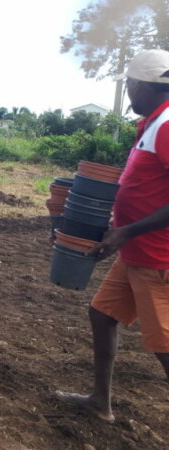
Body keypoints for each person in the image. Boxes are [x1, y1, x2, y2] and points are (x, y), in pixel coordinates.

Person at [55, 49, 169, 423]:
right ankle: (99, 403)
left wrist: (128, 232)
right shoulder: (152, 125)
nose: (130, 94)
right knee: (102, 315)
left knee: (164, 346)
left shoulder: (167, 125)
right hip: (135, 250)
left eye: (131, 86)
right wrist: (116, 234)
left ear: (142, 84)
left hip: (157, 257)